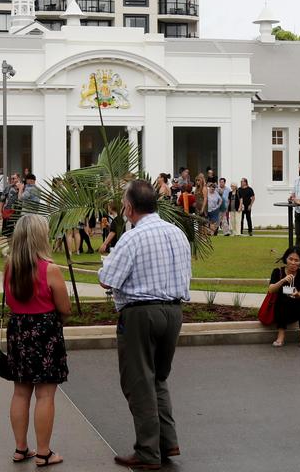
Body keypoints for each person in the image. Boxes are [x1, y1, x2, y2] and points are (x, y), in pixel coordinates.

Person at [98, 179, 191, 470]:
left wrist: (104, 267)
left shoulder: (132, 237)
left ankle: (148, 452)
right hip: (173, 311)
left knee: (140, 382)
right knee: (158, 378)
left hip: (141, 313)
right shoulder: (176, 233)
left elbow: (108, 279)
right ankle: (167, 442)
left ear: (128, 207)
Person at [3, 214, 72, 466]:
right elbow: (65, 308)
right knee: (45, 395)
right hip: (45, 332)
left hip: (19, 330)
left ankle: (21, 448)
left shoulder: (10, 268)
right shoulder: (50, 269)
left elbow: (10, 301)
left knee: (20, 393)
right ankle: (44, 452)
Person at [267, 247, 300, 348]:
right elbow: (271, 289)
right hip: (279, 308)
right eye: (290, 259)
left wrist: (296, 294)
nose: (293, 262)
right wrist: (283, 280)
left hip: (296, 308)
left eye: (296, 260)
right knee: (283, 300)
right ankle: (280, 336)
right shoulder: (277, 271)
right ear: (286, 259)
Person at [0, 173, 21, 237]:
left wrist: (20, 189)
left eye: (13, 178)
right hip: (8, 211)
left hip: (18, 211)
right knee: (7, 232)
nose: (12, 180)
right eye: (11, 179)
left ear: (18, 178)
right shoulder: (8, 188)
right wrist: (0, 211)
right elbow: (2, 200)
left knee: (19, 231)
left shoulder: (23, 187)